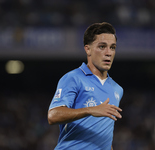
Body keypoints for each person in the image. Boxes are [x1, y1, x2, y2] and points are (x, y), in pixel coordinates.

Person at [48, 22, 123, 150]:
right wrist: (90, 110)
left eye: (112, 47)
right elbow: (53, 116)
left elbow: (104, 136)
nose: (108, 53)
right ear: (87, 49)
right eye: (102, 46)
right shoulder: (73, 78)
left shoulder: (117, 89)